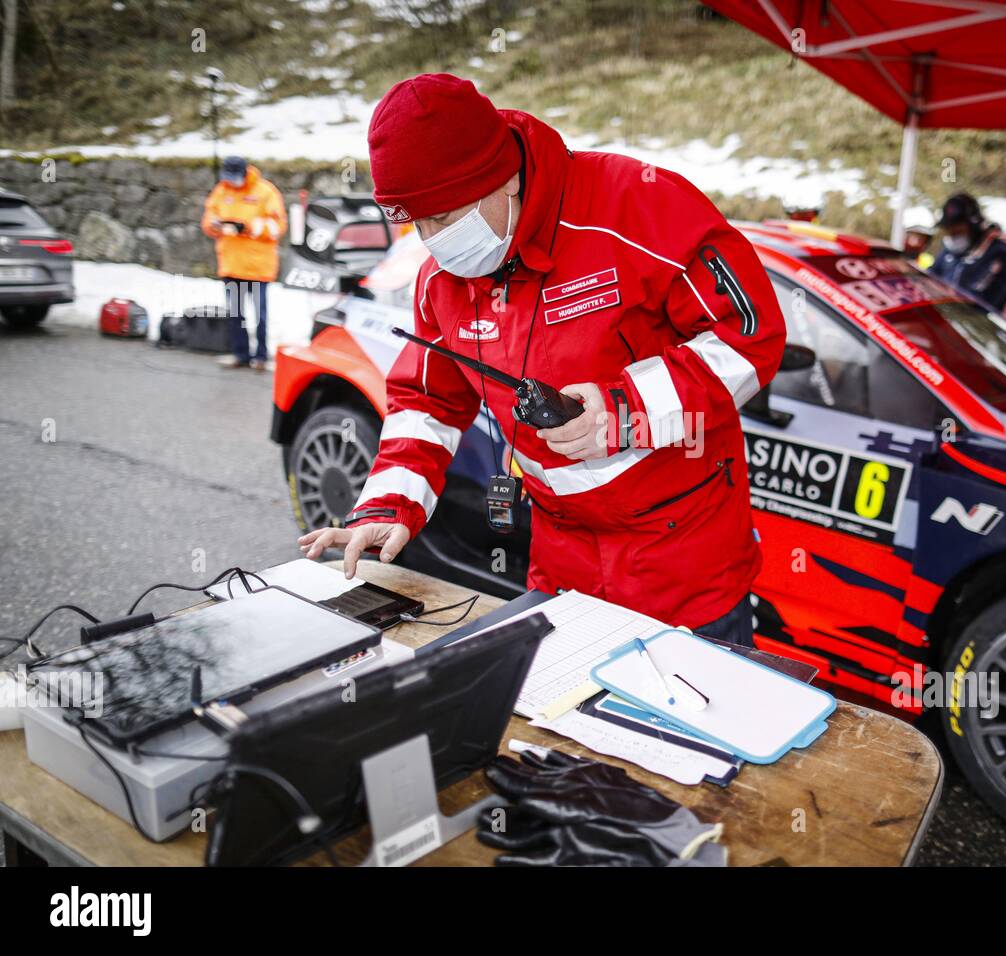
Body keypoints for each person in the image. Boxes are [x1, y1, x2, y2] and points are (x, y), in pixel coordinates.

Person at [297, 74, 786, 647]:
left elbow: (748, 335)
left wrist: (624, 410)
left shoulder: (638, 206)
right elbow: (427, 401)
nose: (433, 241)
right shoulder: (442, 280)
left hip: (684, 573)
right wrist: (390, 501)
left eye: (445, 218)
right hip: (562, 572)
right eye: (418, 223)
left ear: (502, 180)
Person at [201, 156, 286, 370]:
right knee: (235, 314)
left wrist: (247, 228)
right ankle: (241, 354)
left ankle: (261, 356)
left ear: (245, 172)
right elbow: (208, 219)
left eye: (234, 177)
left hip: (257, 267)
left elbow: (277, 226)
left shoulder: (266, 192)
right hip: (231, 264)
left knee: (260, 315)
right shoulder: (221, 190)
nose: (230, 182)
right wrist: (216, 226)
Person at [928, 193, 1006, 312]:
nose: (951, 235)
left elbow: (982, 304)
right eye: (948, 229)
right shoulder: (951, 250)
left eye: (957, 230)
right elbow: (930, 277)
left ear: (973, 226)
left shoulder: (1001, 255)